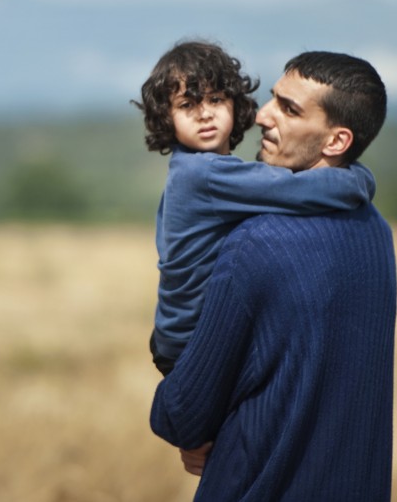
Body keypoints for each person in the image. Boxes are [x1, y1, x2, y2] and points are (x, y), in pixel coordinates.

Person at [150, 51, 397, 501]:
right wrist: (359, 179)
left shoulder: (256, 243)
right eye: (272, 100)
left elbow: (186, 412)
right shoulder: (376, 232)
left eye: (288, 108)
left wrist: (178, 419)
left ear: (337, 141)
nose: (262, 116)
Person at [133, 41, 376, 375]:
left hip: (172, 335)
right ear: (166, 118)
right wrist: (358, 177)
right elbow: (298, 190)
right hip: (190, 344)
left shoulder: (192, 170)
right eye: (187, 104)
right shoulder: (204, 175)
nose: (205, 112)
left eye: (216, 99)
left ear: (235, 103)